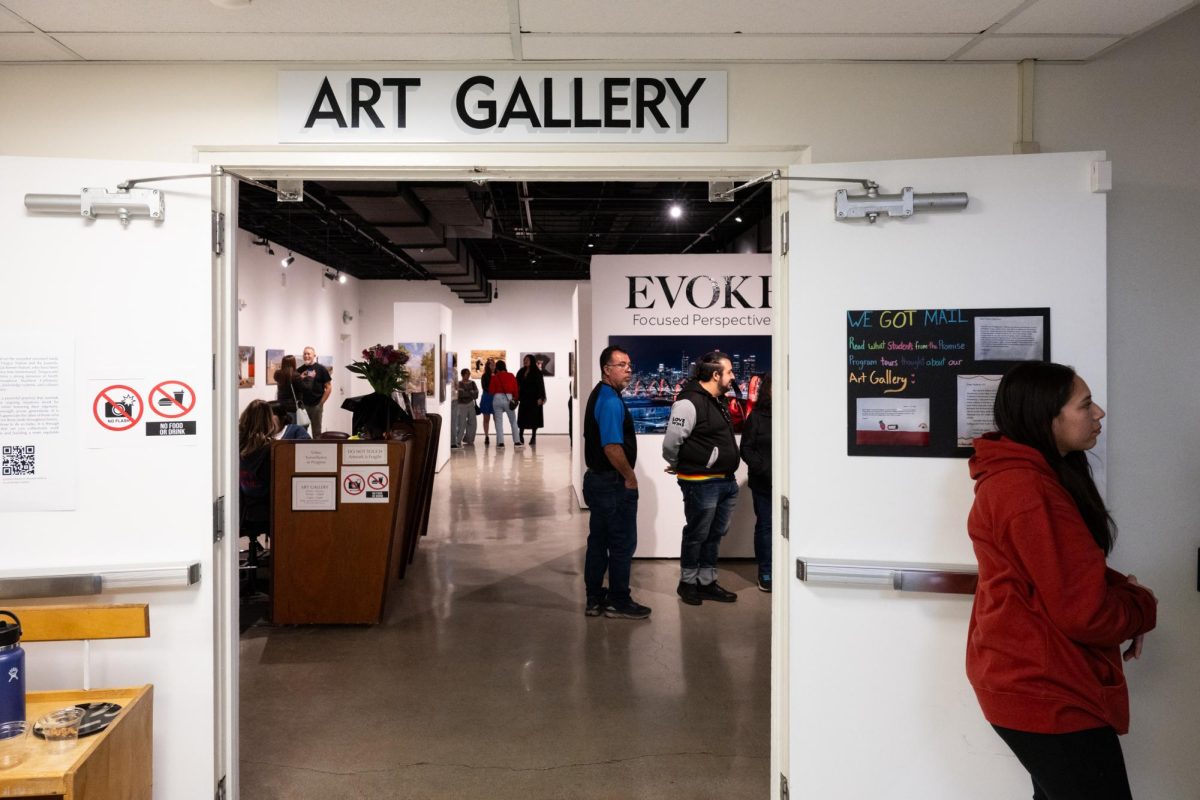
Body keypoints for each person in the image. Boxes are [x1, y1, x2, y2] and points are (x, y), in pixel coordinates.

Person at [967, 362, 1157, 800]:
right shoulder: (1028, 491)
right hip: (1046, 688)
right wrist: (1141, 608)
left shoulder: (1026, 479)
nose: (1100, 414)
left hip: (1032, 678)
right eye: (1086, 404)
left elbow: (1064, 572)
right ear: (1046, 417)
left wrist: (1124, 597)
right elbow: (1085, 613)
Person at [662, 351, 741, 606]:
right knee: (697, 533)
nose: (733, 376)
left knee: (714, 535)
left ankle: (707, 582)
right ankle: (687, 583)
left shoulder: (717, 400)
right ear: (715, 374)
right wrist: (677, 464)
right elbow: (671, 442)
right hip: (700, 482)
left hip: (725, 482)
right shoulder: (688, 403)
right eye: (729, 371)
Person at [582, 344, 651, 620]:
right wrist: (630, 477)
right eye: (622, 365)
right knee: (622, 544)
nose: (629, 370)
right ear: (606, 369)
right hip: (612, 484)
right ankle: (619, 600)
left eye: (630, 365)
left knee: (598, 542)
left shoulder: (600, 394)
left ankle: (594, 598)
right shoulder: (610, 400)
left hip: (598, 482)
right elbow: (611, 446)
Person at [739, 373, 772, 592]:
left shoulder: (795, 414)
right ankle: (766, 572)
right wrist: (766, 469)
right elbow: (746, 449)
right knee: (766, 527)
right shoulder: (757, 417)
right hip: (763, 483)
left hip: (795, 485)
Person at [296, 345, 332, 436]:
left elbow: (328, 387)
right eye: (304, 354)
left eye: (309, 354)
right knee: (301, 433)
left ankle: (317, 451)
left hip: (316, 405)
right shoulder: (299, 370)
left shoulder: (321, 369)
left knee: (317, 433)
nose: (306, 356)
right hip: (303, 406)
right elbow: (296, 386)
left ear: (314, 355)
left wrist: (321, 403)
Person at [516, 354, 547, 445]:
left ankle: (533, 437)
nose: (525, 361)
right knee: (522, 418)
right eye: (524, 360)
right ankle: (520, 435)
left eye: (527, 360)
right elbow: (516, 384)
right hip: (524, 398)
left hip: (534, 399)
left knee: (534, 418)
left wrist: (542, 397)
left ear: (532, 361)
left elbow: (541, 385)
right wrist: (515, 396)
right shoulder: (521, 371)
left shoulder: (537, 372)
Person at [488, 360, 520, 448]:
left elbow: (491, 391)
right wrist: (515, 398)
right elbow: (515, 389)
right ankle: (517, 441)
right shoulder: (511, 375)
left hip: (497, 398)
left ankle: (500, 442)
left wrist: (492, 375)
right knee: (513, 421)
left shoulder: (495, 376)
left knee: (498, 422)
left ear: (497, 368)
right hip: (508, 398)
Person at [451, 367, 479, 448]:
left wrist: (467, 393)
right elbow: (461, 394)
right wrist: (470, 392)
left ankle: (469, 439)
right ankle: (458, 441)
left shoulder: (473, 383)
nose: (468, 375)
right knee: (461, 423)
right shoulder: (459, 383)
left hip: (471, 404)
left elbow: (476, 394)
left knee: (473, 423)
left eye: (469, 373)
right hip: (461, 405)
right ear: (463, 375)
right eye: (467, 373)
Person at [273, 354, 304, 425]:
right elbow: (302, 389)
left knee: (284, 428)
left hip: (281, 405)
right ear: (293, 363)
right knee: (292, 429)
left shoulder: (278, 373)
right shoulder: (295, 375)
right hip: (293, 407)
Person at [480, 357, 496, 446]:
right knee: (486, 419)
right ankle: (486, 436)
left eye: (493, 363)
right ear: (488, 365)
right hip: (487, 398)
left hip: (496, 398)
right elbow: (484, 387)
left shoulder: (498, 374)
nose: (492, 365)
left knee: (496, 418)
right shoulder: (484, 376)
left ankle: (499, 436)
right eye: (490, 363)